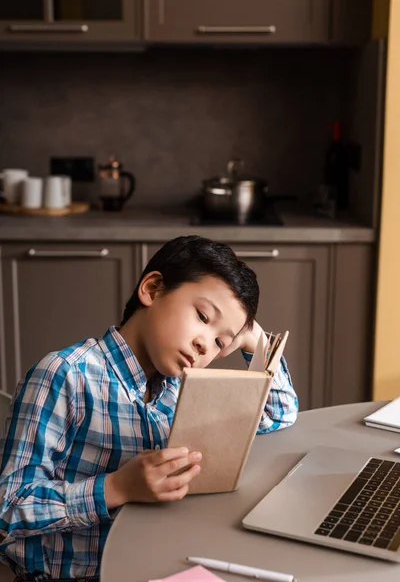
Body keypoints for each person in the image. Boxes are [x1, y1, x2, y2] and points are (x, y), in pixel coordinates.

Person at [0, 235, 298, 582]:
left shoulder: (183, 392)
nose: (205, 344)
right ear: (153, 289)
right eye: (203, 316)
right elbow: (7, 507)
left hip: (154, 565)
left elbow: (279, 412)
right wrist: (115, 488)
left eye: (220, 342)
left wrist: (254, 338)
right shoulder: (66, 375)